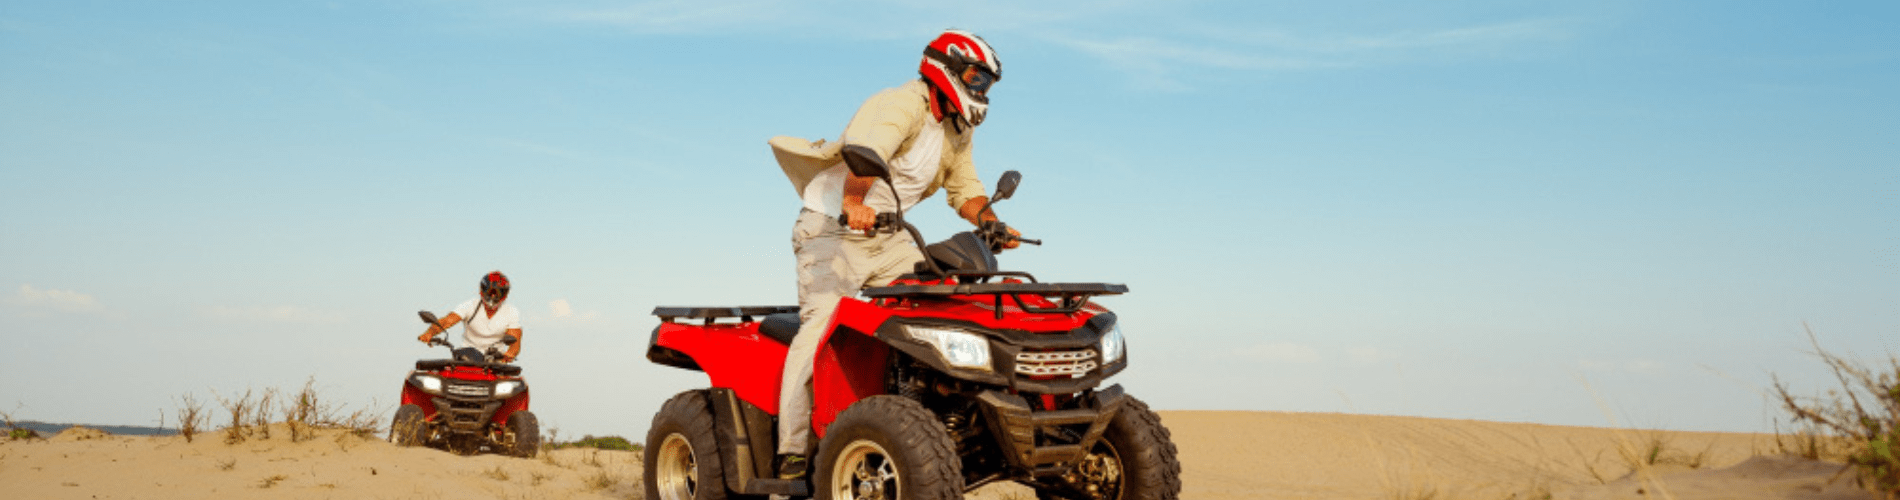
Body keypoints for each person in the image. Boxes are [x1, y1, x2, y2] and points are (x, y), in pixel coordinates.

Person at [767, 29, 1018, 479]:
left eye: (987, 83)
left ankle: (933, 420)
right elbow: (865, 154)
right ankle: (791, 449)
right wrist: (854, 206)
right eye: (976, 78)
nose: (981, 90)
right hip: (832, 229)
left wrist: (988, 223)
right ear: (947, 68)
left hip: (889, 235)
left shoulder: (956, 129)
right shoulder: (899, 103)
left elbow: (964, 188)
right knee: (820, 330)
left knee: (937, 306)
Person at [417, 271, 523, 363]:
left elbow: (515, 339)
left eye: (498, 293)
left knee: (512, 385)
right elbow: (447, 321)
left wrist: (509, 354)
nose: (493, 296)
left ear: (505, 294)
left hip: (495, 361)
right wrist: (430, 333)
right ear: (482, 290)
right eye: (490, 291)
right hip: (467, 357)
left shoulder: (511, 312)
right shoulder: (469, 305)